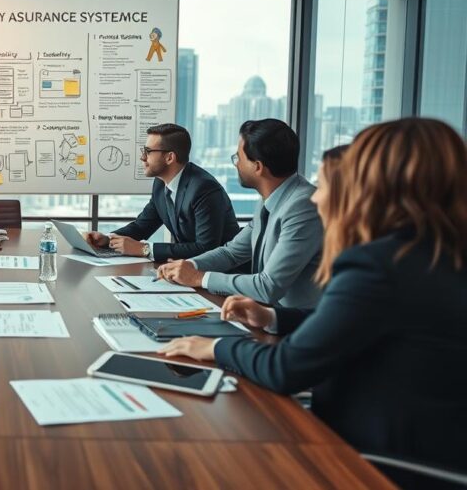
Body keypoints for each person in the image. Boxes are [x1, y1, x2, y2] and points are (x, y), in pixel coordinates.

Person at [159, 118, 467, 486]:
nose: (319, 196)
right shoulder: (437, 256)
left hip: (375, 462)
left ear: (377, 184)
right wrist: (274, 318)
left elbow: (284, 369)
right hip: (426, 444)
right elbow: (361, 323)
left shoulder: (380, 264)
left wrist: (214, 347)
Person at [158, 118, 323, 308]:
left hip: (295, 321)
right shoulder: (271, 198)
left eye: (238, 158)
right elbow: (232, 252)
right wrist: (190, 265)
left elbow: (268, 286)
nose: (235, 164)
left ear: (257, 167)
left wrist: (199, 278)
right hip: (265, 314)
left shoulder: (303, 207)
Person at [85, 124, 239, 261]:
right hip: (185, 268)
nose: (142, 157)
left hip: (221, 273)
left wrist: (144, 249)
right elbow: (142, 226)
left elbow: (206, 249)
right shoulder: (160, 183)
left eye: (148, 151)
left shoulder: (204, 188)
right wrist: (107, 239)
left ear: (169, 157)